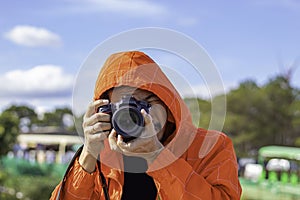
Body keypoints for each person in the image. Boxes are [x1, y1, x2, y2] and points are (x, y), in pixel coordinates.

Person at [50, 51, 242, 200]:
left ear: (168, 102)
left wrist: (157, 156)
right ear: (105, 111)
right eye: (123, 107)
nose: (139, 114)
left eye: (146, 102)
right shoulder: (102, 155)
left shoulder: (210, 146)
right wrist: (88, 155)